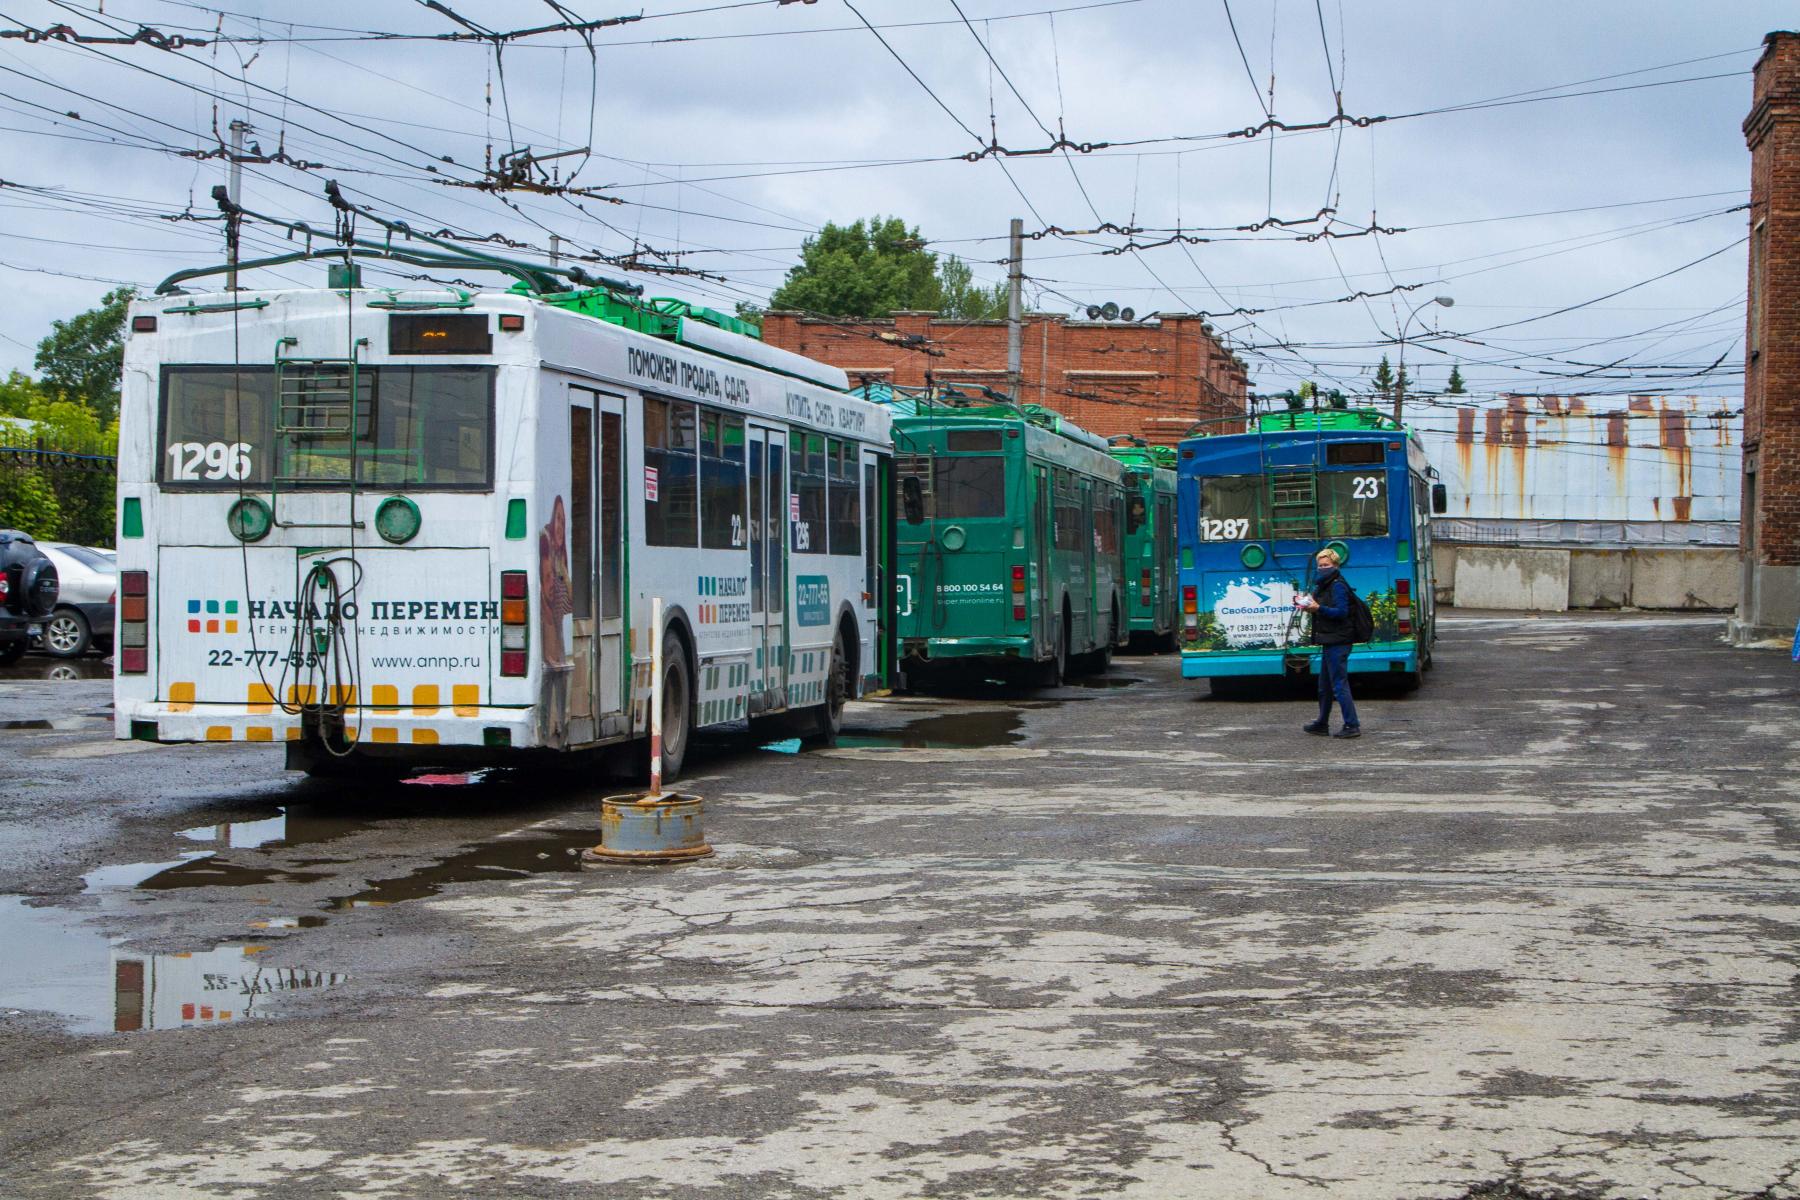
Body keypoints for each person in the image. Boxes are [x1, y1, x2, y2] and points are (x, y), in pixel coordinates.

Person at [1294, 548, 1360, 738]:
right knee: (1324, 686)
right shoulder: (1324, 585)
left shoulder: (1338, 585)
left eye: (1326, 565)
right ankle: (1322, 723)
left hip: (1338, 640)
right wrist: (1308, 606)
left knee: (1339, 684)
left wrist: (1318, 608)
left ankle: (1352, 725)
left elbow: (1341, 612)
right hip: (1329, 640)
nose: (1322, 568)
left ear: (1335, 566)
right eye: (1320, 565)